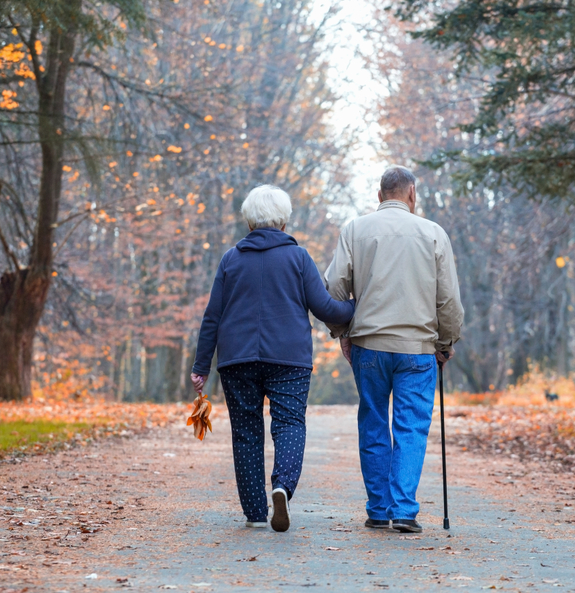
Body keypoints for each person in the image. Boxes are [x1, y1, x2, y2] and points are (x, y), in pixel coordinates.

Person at [190, 185, 354, 532]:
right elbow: (324, 308)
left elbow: (212, 316)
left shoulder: (231, 258)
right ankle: (282, 486)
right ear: (283, 219)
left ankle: (253, 511)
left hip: (237, 360)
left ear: (249, 220)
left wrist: (200, 366)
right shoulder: (298, 257)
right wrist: (357, 307)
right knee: (289, 423)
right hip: (289, 358)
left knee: (246, 433)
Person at [324, 165, 464, 534]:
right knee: (410, 428)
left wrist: (342, 331)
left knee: (373, 422)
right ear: (412, 194)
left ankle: (378, 508)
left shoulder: (355, 229)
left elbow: (334, 287)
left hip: (369, 346)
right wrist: (445, 342)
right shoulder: (433, 233)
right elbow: (448, 299)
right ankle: (403, 510)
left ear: (380, 195)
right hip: (418, 350)